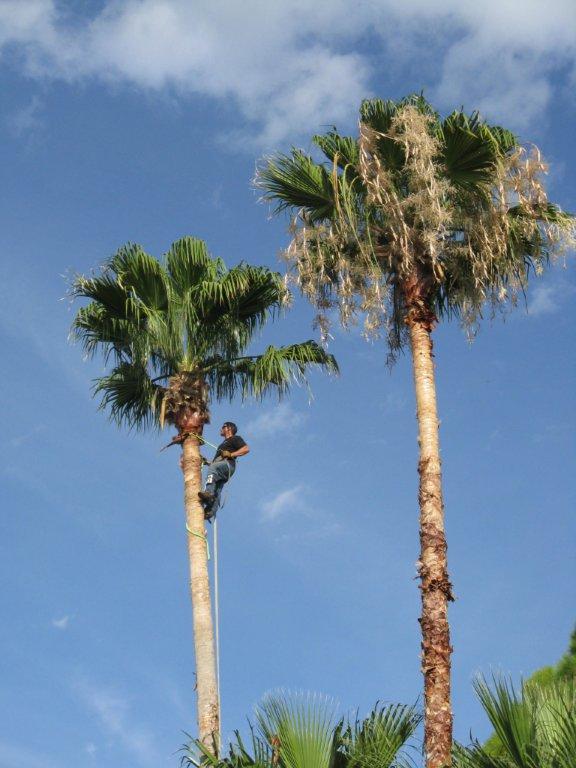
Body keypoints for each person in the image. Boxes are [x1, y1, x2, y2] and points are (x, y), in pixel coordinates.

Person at [199, 421, 249, 519]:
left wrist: (231, 454)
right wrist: (207, 462)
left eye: (223, 427)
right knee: (217, 488)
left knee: (213, 469)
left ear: (229, 428)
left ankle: (208, 493)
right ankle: (210, 511)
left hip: (228, 465)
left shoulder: (235, 438)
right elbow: (216, 463)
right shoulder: (221, 445)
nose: (221, 429)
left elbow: (246, 449)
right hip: (221, 466)